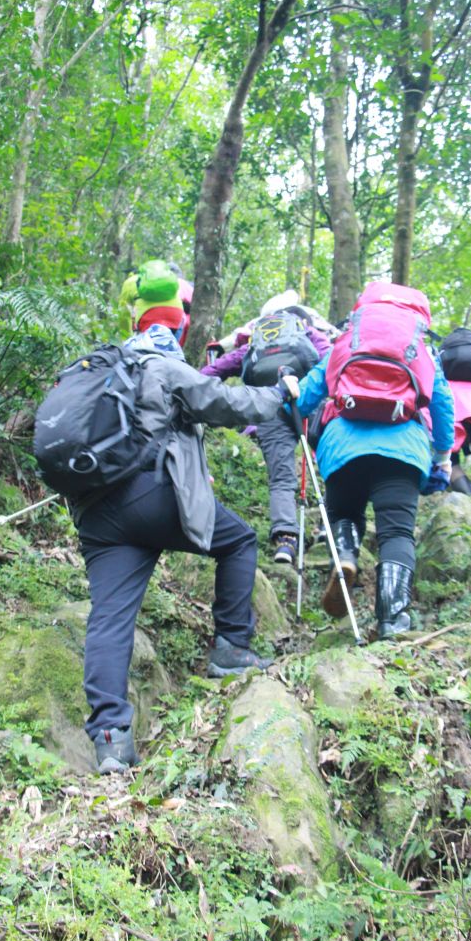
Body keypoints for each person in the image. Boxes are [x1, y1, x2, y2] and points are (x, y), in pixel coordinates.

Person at [70, 323, 299, 774]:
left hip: (96, 513)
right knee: (238, 540)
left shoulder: (99, 378)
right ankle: (232, 646)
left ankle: (112, 739)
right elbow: (227, 403)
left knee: (111, 617)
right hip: (151, 495)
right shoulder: (160, 367)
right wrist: (279, 394)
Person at [293, 283, 455, 639]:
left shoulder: (346, 342)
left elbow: (304, 398)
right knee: (396, 532)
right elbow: (442, 403)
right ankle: (392, 620)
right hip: (403, 450)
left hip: (342, 447)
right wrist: (443, 457)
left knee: (345, 514)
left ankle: (346, 555)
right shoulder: (422, 348)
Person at [200, 292, 332, 566]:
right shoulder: (307, 332)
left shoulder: (255, 341)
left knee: (281, 477)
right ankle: (328, 529)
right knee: (330, 464)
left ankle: (286, 541)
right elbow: (333, 359)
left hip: (270, 407)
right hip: (309, 401)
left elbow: (213, 372)